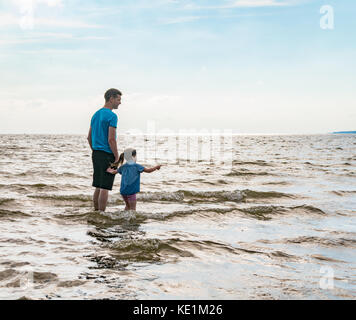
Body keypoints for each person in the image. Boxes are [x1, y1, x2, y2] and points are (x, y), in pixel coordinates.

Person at [87, 88, 122, 212]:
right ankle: (102, 214)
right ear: (111, 98)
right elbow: (111, 139)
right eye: (118, 99)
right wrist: (117, 157)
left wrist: (95, 150)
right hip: (107, 155)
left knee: (98, 185)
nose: (120, 102)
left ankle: (96, 212)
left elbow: (89, 137)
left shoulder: (95, 114)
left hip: (96, 154)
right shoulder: (112, 116)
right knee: (105, 187)